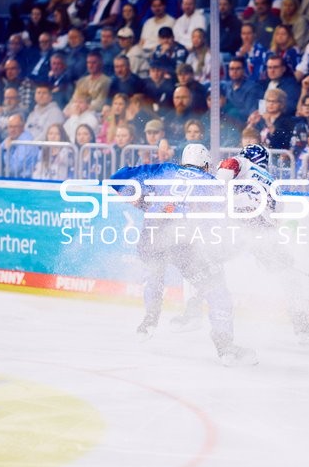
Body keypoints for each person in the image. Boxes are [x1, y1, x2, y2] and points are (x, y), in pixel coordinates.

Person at [110, 143, 258, 366]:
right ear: (206, 166)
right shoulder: (213, 184)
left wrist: (146, 203)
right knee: (217, 292)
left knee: (154, 276)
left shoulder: (164, 170)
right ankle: (225, 348)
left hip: (151, 237)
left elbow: (117, 179)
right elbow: (223, 224)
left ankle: (148, 322)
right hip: (184, 244)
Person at [169, 143, 309, 344]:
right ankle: (302, 325)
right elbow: (275, 221)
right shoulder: (273, 183)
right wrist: (268, 251)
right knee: (289, 276)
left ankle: (192, 313)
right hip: (259, 232)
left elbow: (218, 184)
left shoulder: (239, 162)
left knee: (207, 268)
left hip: (232, 226)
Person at [2, 114, 38, 179]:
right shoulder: (12, 138)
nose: (12, 130)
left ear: (22, 127)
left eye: (15, 127)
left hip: (25, 181)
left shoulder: (26, 142)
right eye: (10, 127)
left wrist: (7, 150)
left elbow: (14, 169)